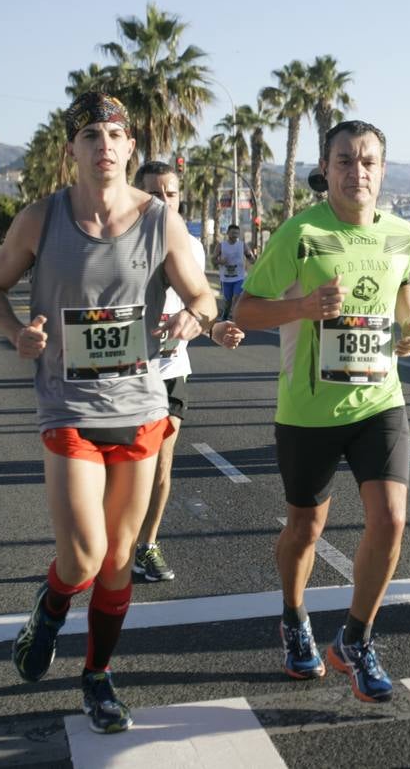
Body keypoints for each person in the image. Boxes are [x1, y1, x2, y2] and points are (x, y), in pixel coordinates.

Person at [0, 92, 216, 734]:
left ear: (130, 147)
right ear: (71, 151)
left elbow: (204, 295)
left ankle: (98, 677)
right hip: (69, 407)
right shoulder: (40, 218)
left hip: (141, 406)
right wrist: (15, 333)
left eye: (114, 134)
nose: (104, 145)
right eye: (90, 135)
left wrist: (194, 319)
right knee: (83, 557)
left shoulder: (160, 220)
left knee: (117, 561)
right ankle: (51, 607)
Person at [235, 119, 410, 702]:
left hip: (379, 400)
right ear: (326, 168)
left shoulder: (401, 233)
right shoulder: (301, 233)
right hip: (309, 411)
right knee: (305, 528)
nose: (356, 172)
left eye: (367, 161)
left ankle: (356, 639)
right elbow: (244, 310)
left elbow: (404, 284)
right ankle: (294, 617)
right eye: (345, 160)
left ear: (382, 169)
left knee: (391, 519)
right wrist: (305, 308)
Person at [131, 162, 246, 583]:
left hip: (171, 367)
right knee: (122, 467)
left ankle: (147, 545)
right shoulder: (117, 242)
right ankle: (107, 543)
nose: (163, 201)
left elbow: (198, 303)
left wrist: (213, 329)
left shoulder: (192, 247)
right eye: (154, 194)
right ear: (137, 196)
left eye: (171, 194)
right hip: (124, 372)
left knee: (161, 464)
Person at [213, 224, 255, 321]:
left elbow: (250, 257)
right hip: (226, 278)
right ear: (228, 233)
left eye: (237, 233)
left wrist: (251, 258)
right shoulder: (221, 245)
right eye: (233, 233)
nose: (235, 235)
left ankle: (235, 318)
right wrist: (220, 261)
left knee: (237, 297)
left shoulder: (242, 245)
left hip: (239, 277)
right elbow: (213, 259)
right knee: (228, 301)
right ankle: (225, 316)